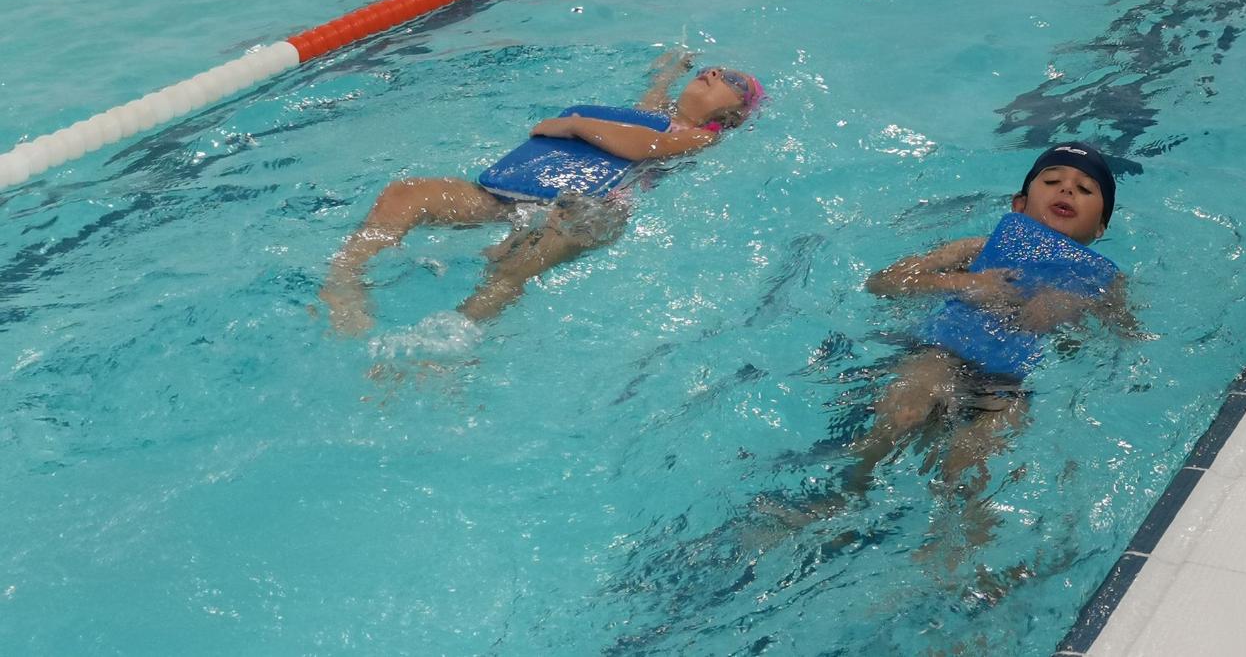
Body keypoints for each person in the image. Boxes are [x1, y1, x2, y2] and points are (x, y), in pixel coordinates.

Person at [319, 51, 762, 334]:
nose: (717, 70)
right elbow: (649, 109)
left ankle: (455, 336)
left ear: (733, 116)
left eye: (734, 81)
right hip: (520, 194)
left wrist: (573, 125)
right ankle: (345, 279)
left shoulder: (703, 136)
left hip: (591, 210)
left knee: (517, 263)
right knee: (406, 193)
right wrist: (667, 72)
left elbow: (648, 145)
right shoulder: (649, 112)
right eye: (716, 67)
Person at [844, 144, 1130, 503]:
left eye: (1086, 189)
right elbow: (883, 282)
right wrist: (966, 283)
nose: (1067, 189)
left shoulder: (1102, 280)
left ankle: (953, 544)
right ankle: (850, 492)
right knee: (906, 410)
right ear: (1019, 205)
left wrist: (1072, 311)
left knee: (972, 461)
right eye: (1053, 180)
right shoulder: (979, 249)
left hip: (1010, 385)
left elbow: (1123, 335)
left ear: (1101, 228)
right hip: (940, 356)